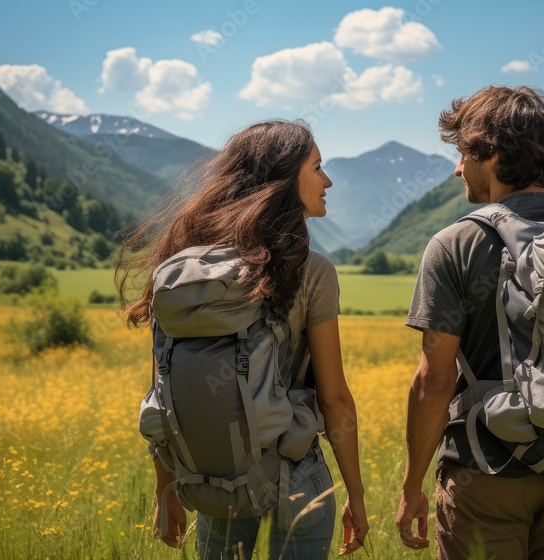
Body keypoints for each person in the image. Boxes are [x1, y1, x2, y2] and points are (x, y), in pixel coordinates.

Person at [117, 120, 369, 559]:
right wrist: (357, 495)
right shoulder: (311, 271)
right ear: (284, 179)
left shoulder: (183, 274)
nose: (327, 181)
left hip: (216, 479)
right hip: (297, 478)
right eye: (317, 167)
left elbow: (164, 393)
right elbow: (334, 401)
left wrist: (167, 488)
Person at [395, 86, 544, 559]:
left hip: (486, 473)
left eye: (463, 153)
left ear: (491, 154)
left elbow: (436, 378)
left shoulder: (457, 243)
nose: (457, 167)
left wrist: (411, 487)